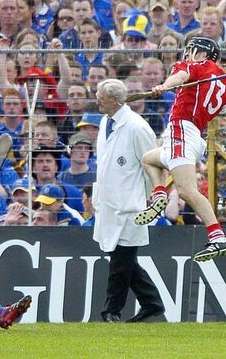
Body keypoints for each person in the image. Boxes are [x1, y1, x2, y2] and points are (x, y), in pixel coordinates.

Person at [136, 37, 226, 262]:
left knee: (186, 191)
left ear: (203, 54)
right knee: (148, 159)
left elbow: (180, 76)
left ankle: (217, 236)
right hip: (192, 136)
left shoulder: (197, 66)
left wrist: (165, 85)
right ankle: (160, 195)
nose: (187, 54)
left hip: (181, 130)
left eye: (191, 50)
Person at [93, 79, 164, 323]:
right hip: (108, 203)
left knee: (120, 263)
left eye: (100, 96)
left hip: (130, 205)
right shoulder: (105, 122)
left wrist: (151, 197)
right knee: (123, 260)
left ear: (114, 100)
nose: (97, 99)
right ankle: (152, 303)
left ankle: (111, 311)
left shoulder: (137, 128)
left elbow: (153, 165)